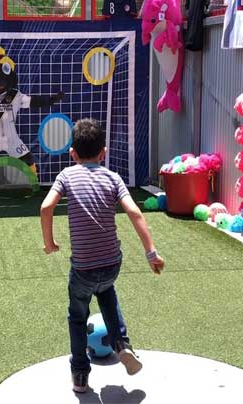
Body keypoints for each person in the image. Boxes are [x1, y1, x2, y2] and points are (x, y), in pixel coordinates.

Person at [39, 118, 165, 393]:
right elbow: (134, 212)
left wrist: (49, 243)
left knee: (77, 317)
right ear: (104, 152)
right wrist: (151, 253)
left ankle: (81, 376)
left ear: (72, 153)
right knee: (107, 293)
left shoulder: (66, 176)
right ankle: (122, 346)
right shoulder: (113, 178)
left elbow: (46, 207)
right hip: (111, 264)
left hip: (82, 268)